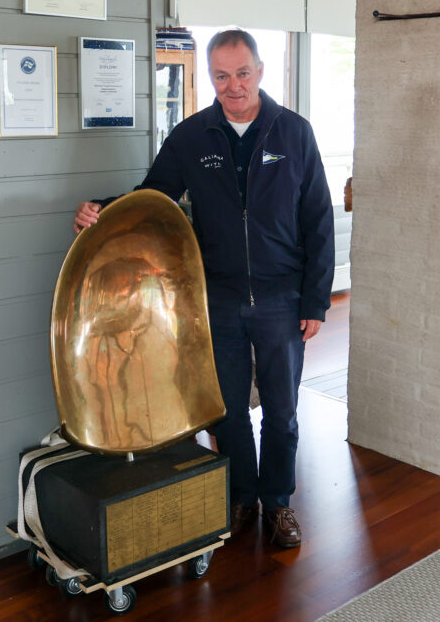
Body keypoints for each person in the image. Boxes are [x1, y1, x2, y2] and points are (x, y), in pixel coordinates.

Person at [74, 29, 334, 548]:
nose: (233, 85)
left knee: (281, 410)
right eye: (221, 75)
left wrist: (316, 300)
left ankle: (278, 503)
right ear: (210, 77)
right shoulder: (192, 136)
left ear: (260, 71)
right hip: (217, 299)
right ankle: (242, 497)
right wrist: (102, 210)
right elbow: (153, 198)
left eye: (242, 73)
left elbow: (318, 219)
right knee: (228, 409)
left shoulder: (294, 133)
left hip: (282, 299)